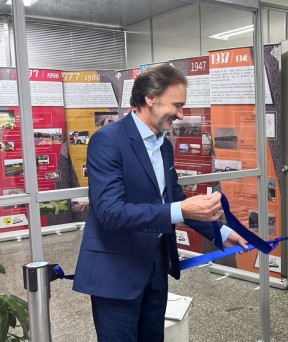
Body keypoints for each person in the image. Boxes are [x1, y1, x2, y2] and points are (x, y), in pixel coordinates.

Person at [73, 64, 249, 342]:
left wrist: (222, 234)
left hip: (155, 268)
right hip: (116, 272)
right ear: (150, 98)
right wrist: (180, 209)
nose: (181, 114)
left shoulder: (163, 145)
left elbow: (173, 198)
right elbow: (110, 212)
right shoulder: (107, 140)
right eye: (177, 105)